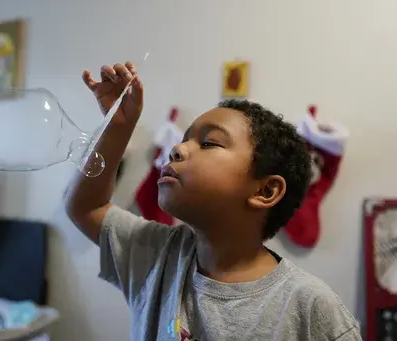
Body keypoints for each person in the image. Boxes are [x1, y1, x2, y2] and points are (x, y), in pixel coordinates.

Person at [65, 62, 362, 341]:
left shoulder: (310, 308)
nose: (177, 149)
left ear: (266, 191)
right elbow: (85, 207)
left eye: (208, 143)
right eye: (183, 139)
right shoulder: (157, 256)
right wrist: (118, 128)